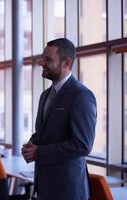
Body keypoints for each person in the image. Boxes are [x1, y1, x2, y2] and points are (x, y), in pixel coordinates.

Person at [21, 38, 97, 200]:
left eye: (48, 59)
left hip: (68, 190)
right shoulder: (45, 95)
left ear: (66, 63)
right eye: (43, 57)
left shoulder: (81, 95)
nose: (42, 63)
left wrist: (39, 152)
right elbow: (44, 133)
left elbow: (82, 145)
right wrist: (31, 145)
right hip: (45, 187)